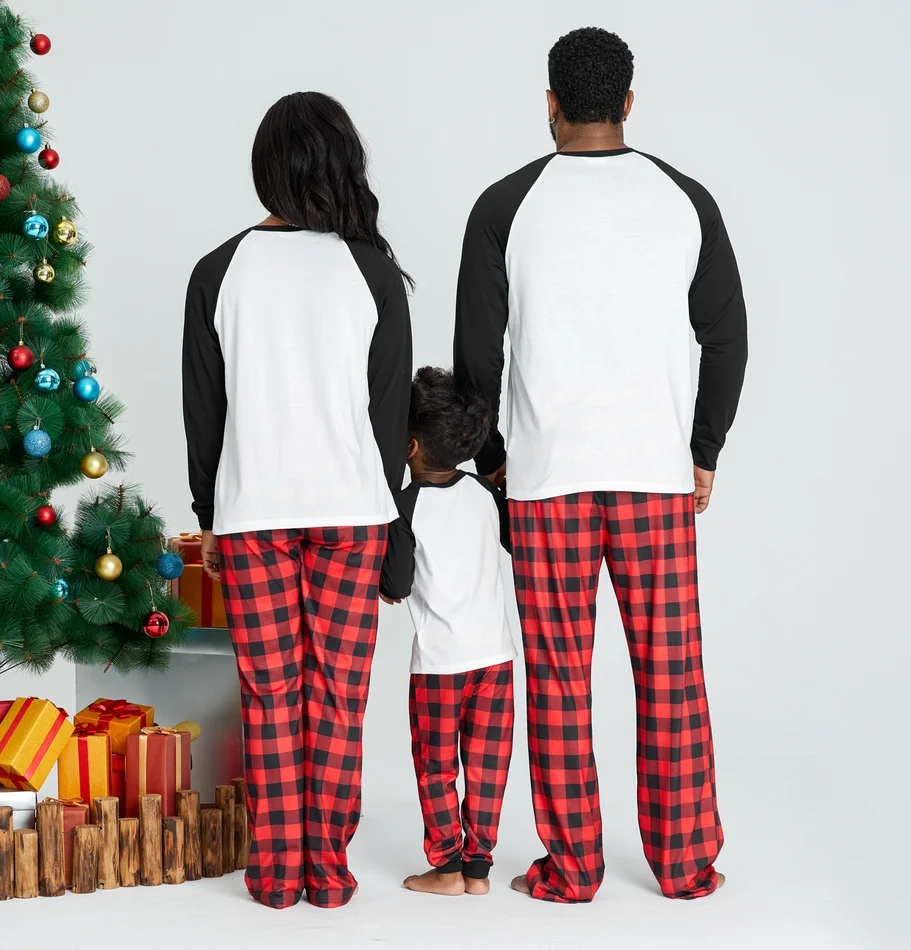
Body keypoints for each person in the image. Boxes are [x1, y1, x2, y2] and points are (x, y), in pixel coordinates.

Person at [453, 27, 747, 903]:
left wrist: (497, 462)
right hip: (655, 478)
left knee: (557, 677)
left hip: (547, 483)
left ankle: (573, 866)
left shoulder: (505, 205)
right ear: (628, 102)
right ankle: (685, 864)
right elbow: (727, 337)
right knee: (672, 673)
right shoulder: (684, 199)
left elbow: (476, 361)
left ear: (550, 104)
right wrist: (702, 451)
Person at [181, 92, 412, 910]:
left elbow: (204, 411)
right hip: (352, 513)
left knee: (270, 693)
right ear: (343, 161)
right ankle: (329, 870)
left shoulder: (217, 271)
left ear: (265, 167)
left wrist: (208, 515)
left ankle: (277, 875)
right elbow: (390, 419)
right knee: (339, 694)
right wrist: (393, 526)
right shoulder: (371, 270)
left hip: (252, 513)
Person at [379, 367, 517, 897]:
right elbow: (509, 543)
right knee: (488, 765)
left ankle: (447, 868)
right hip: (496, 657)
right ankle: (479, 871)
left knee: (436, 767)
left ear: (409, 446)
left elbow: (396, 583)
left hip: (439, 663)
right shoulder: (485, 492)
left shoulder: (404, 505)